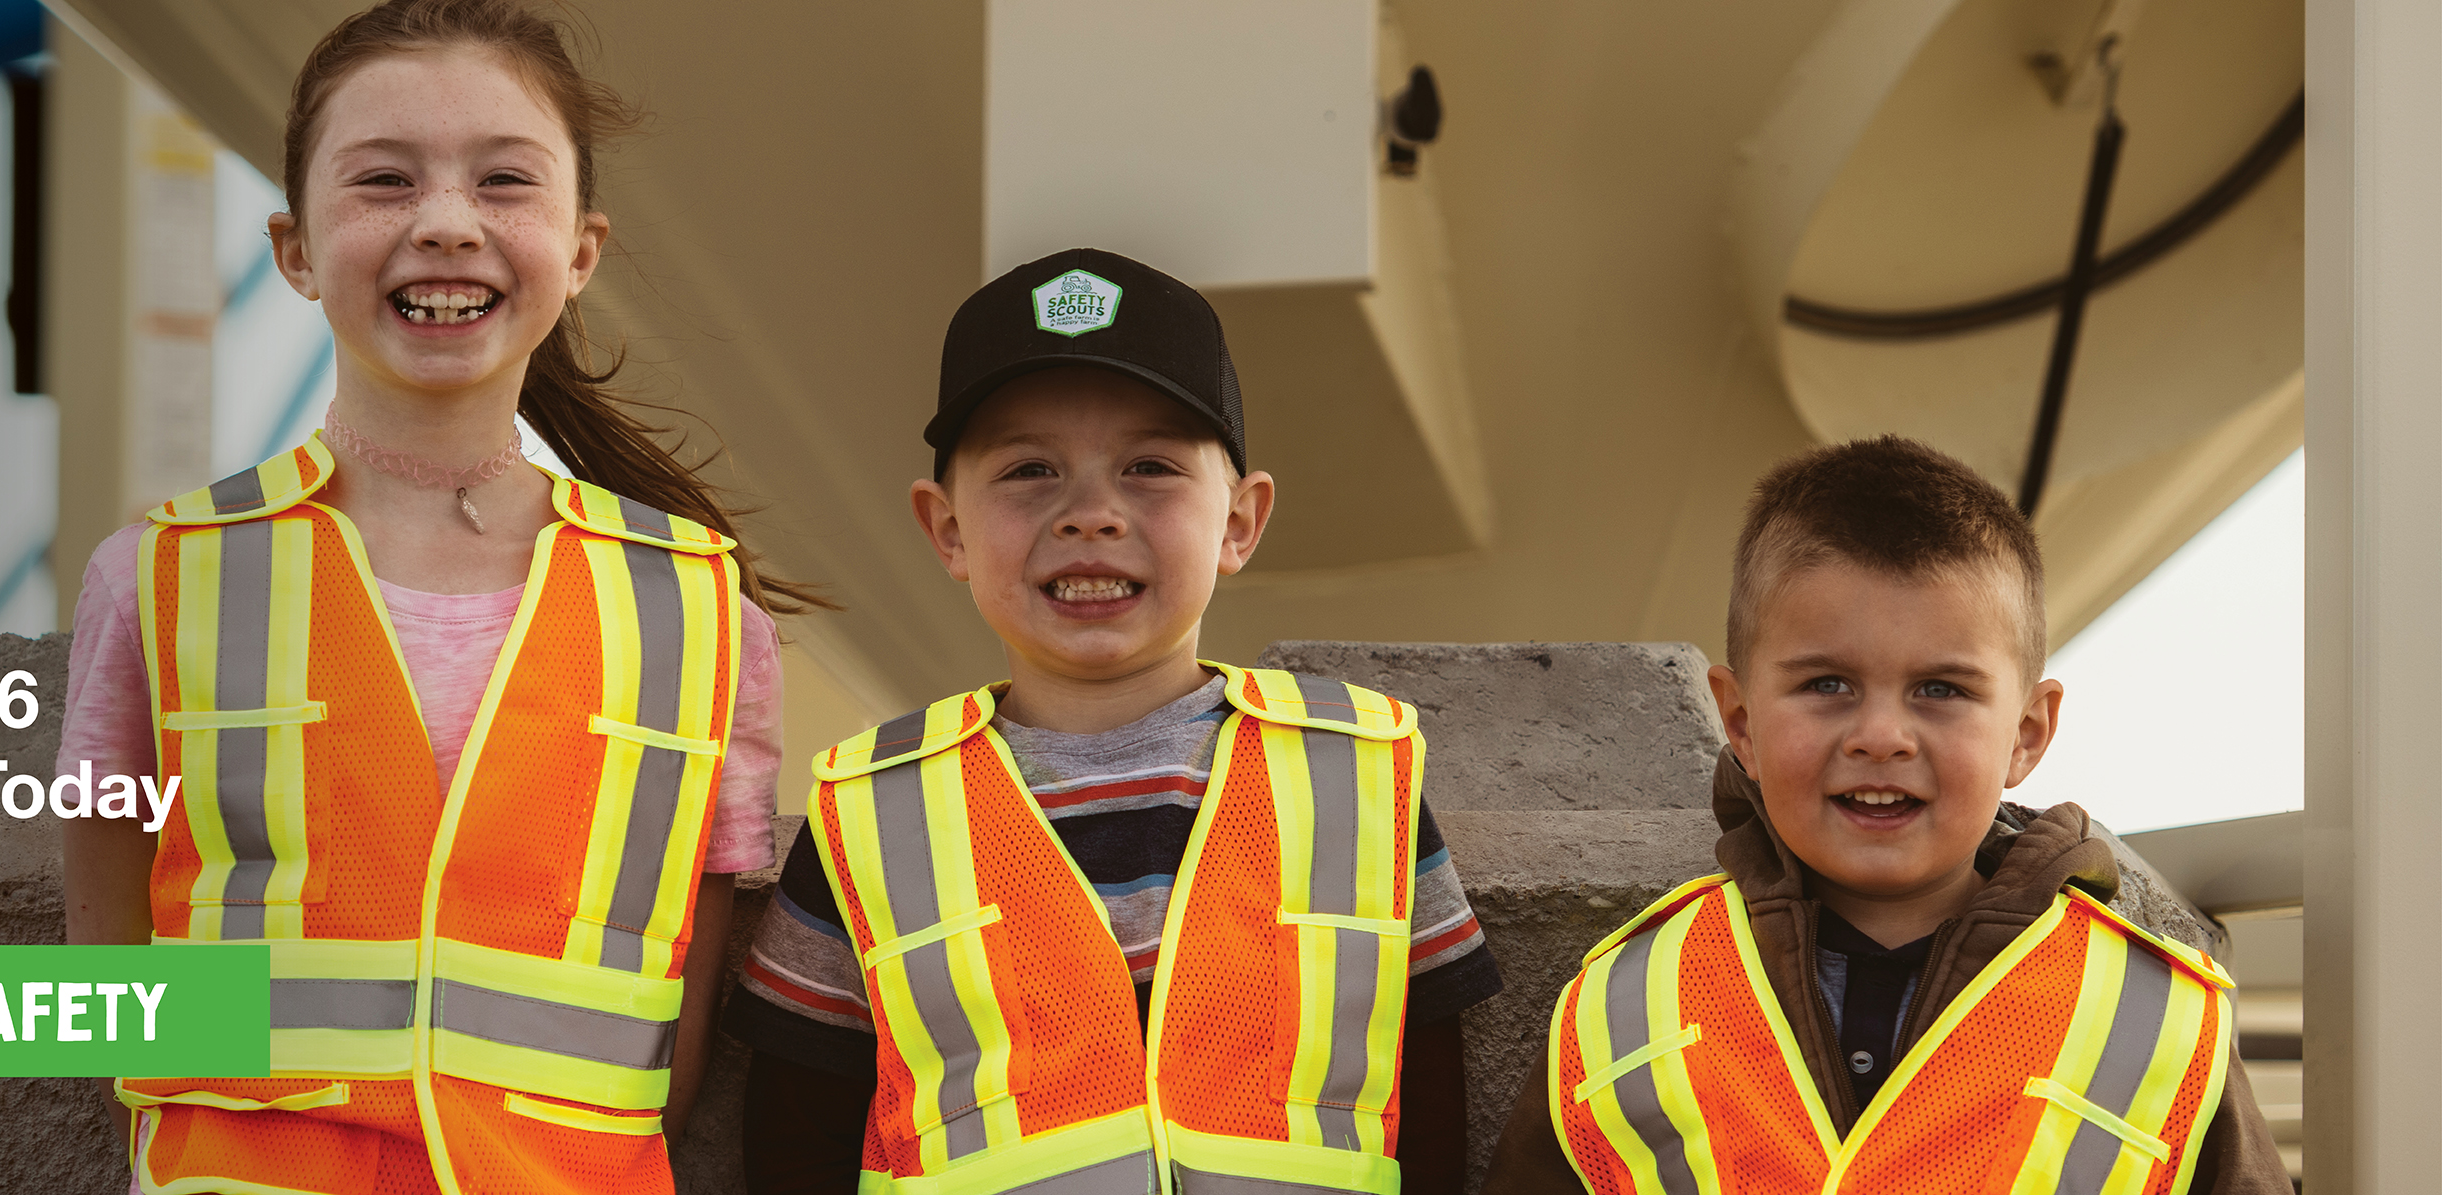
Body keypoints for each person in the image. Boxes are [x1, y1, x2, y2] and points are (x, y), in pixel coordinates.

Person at [49, 2, 821, 1191]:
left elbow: (677, 1015)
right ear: (295, 248)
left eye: (506, 181)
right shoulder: (159, 575)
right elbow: (111, 946)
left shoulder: (703, 613)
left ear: (582, 249)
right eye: (384, 182)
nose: (448, 225)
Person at [727, 248, 1503, 1195]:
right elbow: (793, 1144)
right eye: (1027, 469)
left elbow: (1426, 1120)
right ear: (947, 530)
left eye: (1148, 467)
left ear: (1239, 522)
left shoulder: (1357, 781)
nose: (1089, 512)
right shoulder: (871, 817)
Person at [1481, 437, 2290, 1194]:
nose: (1879, 737)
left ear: (2026, 733)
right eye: (1825, 683)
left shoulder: (2157, 1023)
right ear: (1739, 723)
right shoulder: (1622, 1005)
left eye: (1939, 688)